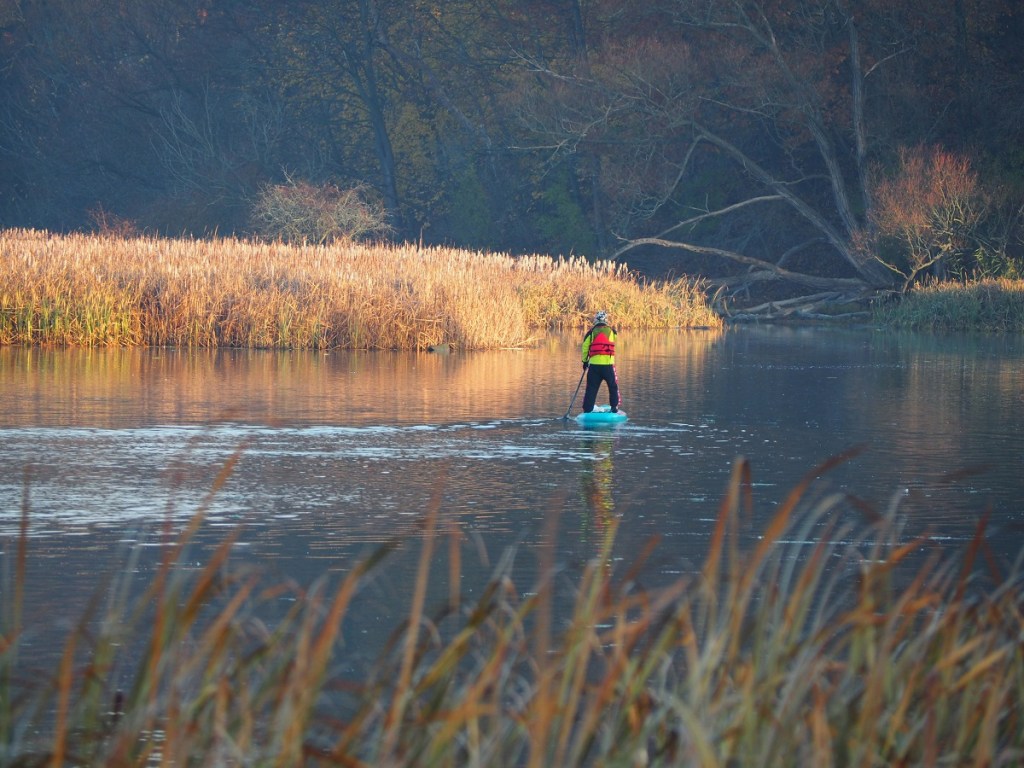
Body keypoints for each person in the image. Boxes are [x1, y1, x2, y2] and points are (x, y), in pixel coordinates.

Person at [581, 310, 620, 413]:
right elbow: (615, 337)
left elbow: (585, 347)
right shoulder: (611, 331)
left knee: (591, 388)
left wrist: (585, 361)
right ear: (606, 320)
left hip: (594, 366)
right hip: (608, 365)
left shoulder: (591, 332)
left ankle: (587, 409)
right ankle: (614, 408)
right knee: (613, 387)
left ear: (595, 320)